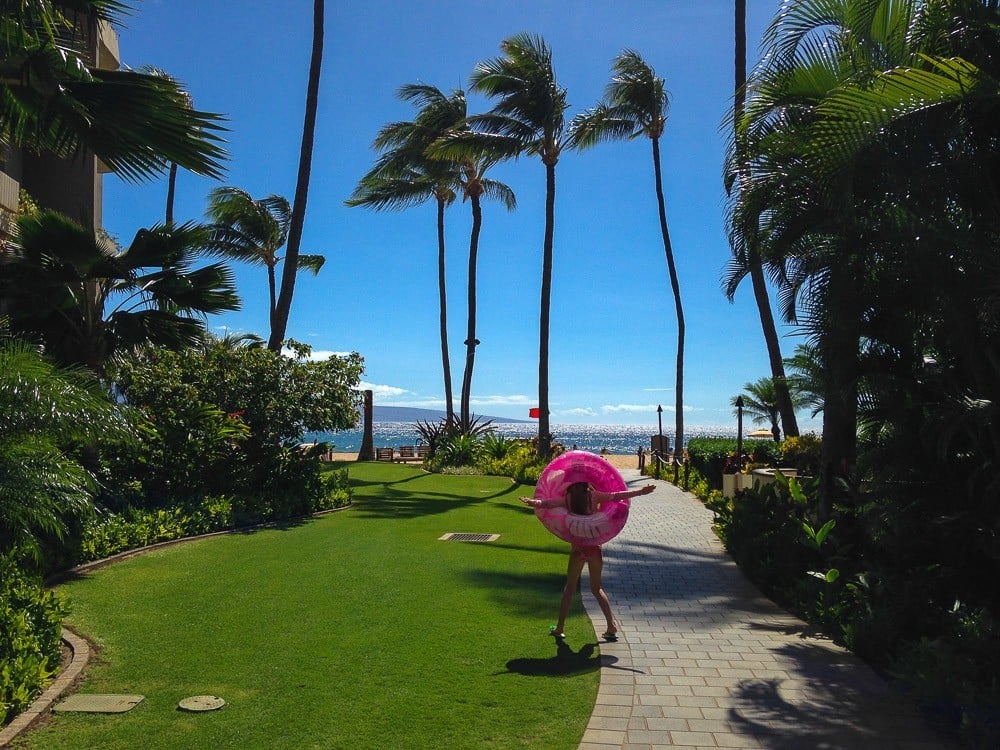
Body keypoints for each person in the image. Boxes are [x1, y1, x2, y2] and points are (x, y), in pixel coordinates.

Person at [520, 480, 655, 640]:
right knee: (596, 588)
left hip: (578, 549)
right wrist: (641, 491)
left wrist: (532, 502)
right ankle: (611, 625)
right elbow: (616, 496)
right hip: (594, 549)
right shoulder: (594, 496)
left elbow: (548, 503)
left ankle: (560, 628)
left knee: (570, 588)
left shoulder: (568, 499)